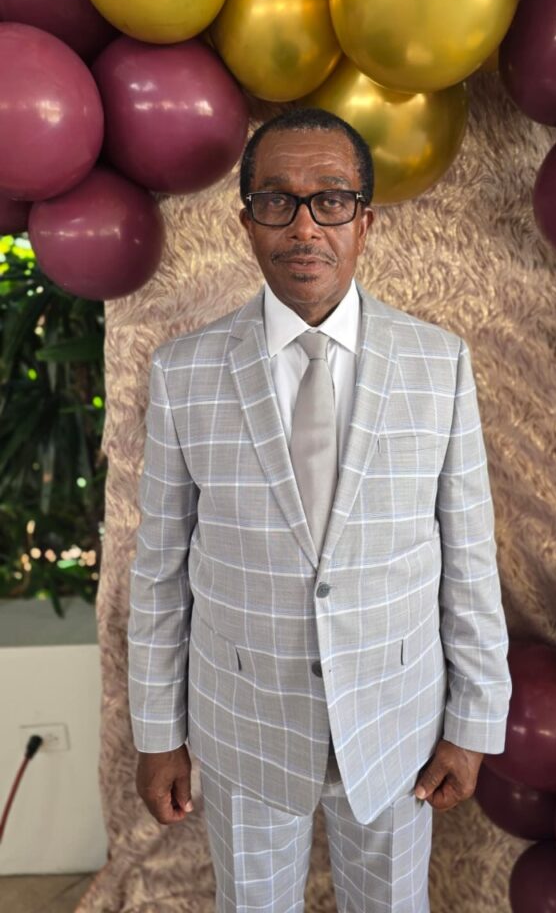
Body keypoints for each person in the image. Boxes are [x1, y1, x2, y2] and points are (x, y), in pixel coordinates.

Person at [128, 108, 511, 912]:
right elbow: (160, 571)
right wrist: (158, 732)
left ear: (365, 223)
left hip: (397, 720)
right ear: (247, 223)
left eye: (331, 200)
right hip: (246, 720)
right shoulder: (182, 374)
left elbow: (469, 559)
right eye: (278, 201)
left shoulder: (438, 365)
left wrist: (474, 723)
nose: (305, 226)